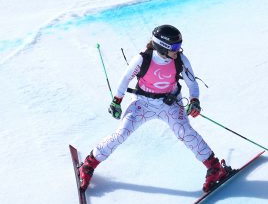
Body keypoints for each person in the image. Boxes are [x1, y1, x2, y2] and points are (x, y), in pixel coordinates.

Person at [77, 24, 232, 193]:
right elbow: (125, 79)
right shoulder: (143, 59)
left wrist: (194, 101)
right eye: (174, 47)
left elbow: (192, 83)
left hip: (170, 103)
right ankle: (88, 164)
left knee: (185, 132)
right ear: (162, 47)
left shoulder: (180, 59)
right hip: (142, 103)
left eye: (179, 46)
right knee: (121, 133)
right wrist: (116, 101)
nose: (178, 50)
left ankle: (215, 168)